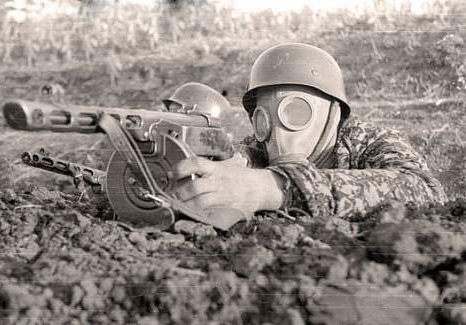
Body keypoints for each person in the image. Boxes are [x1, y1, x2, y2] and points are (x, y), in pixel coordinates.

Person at [172, 43, 446, 223]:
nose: (276, 133)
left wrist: (266, 187)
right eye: (262, 119)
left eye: (295, 112)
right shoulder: (257, 147)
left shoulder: (369, 142)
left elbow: (425, 190)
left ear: (333, 114)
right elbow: (234, 162)